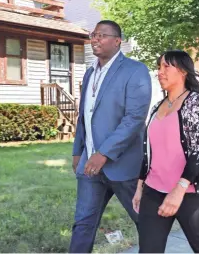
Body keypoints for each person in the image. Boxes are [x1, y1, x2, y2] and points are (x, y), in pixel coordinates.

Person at [69, 20, 152, 253]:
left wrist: (103, 153)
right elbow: (83, 116)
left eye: (102, 35)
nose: (95, 39)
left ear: (117, 41)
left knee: (145, 221)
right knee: (83, 223)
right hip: (89, 165)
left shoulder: (135, 71)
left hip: (123, 165)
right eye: (93, 35)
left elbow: (134, 118)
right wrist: (79, 151)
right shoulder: (89, 74)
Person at [132, 50, 199, 253]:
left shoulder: (196, 104)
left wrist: (177, 191)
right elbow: (149, 152)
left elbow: (198, 153)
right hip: (154, 191)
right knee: (148, 250)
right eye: (158, 67)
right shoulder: (157, 107)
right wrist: (140, 186)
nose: (160, 72)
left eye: (166, 66)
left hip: (190, 193)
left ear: (182, 71)